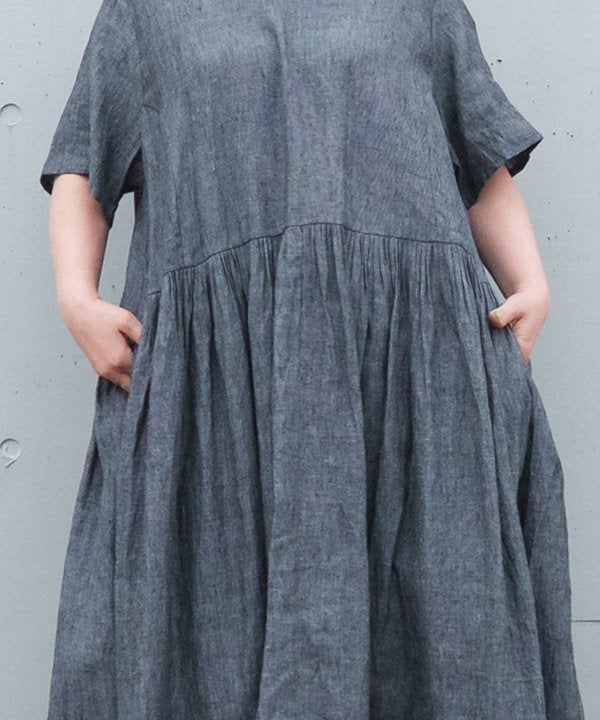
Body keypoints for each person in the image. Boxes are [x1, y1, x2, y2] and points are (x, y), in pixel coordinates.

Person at [39, 0, 585, 718]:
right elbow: (84, 163)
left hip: (410, 373)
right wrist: (76, 298)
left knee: (445, 615)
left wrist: (531, 285)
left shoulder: (420, 7)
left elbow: (478, 159)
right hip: (225, 385)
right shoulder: (145, 13)